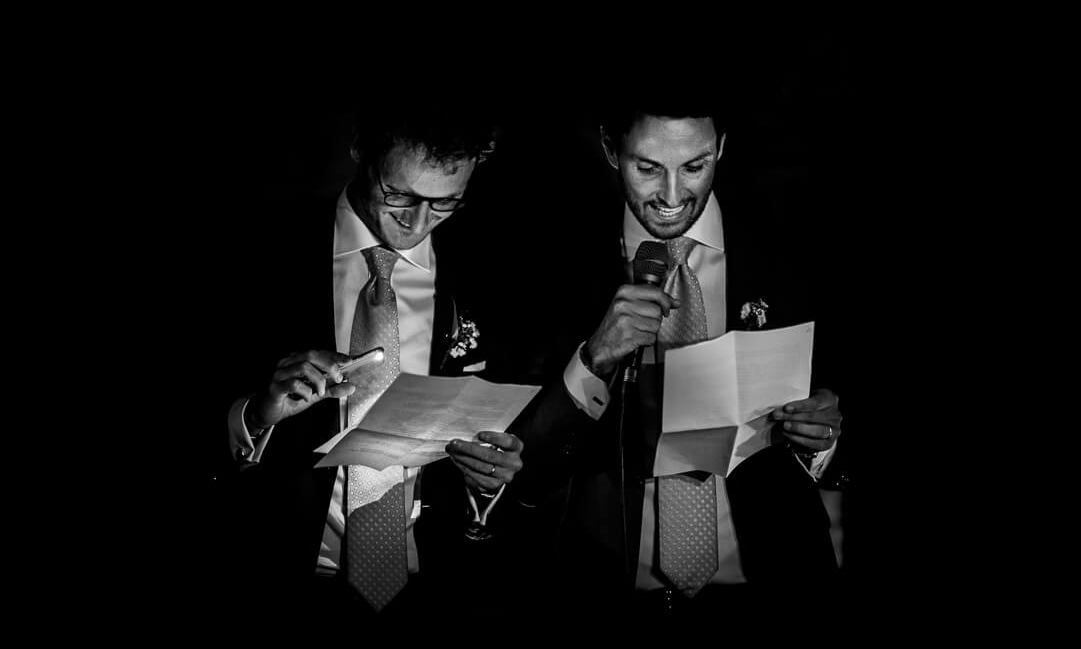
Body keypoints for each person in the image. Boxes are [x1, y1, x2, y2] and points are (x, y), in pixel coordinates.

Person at [509, 86, 850, 619]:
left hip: (775, 593)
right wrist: (594, 359)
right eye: (647, 168)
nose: (672, 194)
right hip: (604, 598)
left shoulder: (798, 245)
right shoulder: (549, 262)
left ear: (721, 147)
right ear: (609, 149)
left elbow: (849, 403)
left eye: (695, 166)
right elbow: (522, 468)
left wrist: (827, 438)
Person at [215, 88, 531, 621]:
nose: (418, 223)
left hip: (439, 588)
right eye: (399, 195)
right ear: (361, 149)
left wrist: (493, 475)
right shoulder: (258, 251)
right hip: (275, 580)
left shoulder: (495, 268)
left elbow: (515, 425)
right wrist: (257, 414)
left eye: (446, 202)